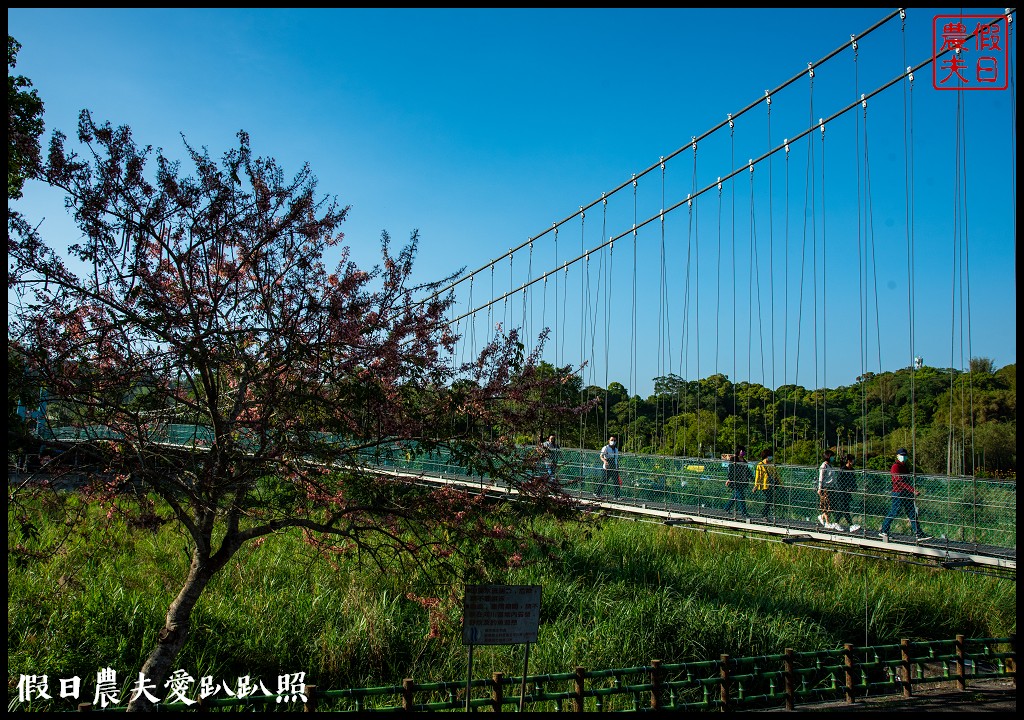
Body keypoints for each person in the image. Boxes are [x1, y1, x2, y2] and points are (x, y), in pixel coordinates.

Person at [879, 448, 930, 541]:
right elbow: (898, 480)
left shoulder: (905, 466)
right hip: (898, 493)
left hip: (906, 493)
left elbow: (906, 480)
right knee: (895, 511)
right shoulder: (895, 467)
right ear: (897, 456)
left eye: (905, 455)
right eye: (902, 455)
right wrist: (912, 490)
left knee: (912, 512)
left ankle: (919, 533)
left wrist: (911, 490)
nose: (903, 457)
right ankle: (884, 530)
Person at [832, 454, 861, 532]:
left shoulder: (851, 470)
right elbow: (839, 481)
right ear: (849, 461)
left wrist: (854, 487)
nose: (854, 461)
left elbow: (853, 481)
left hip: (847, 492)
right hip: (841, 492)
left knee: (843, 508)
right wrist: (845, 488)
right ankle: (850, 525)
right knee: (844, 508)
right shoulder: (843, 469)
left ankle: (836, 523)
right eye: (853, 460)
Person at [723, 446, 753, 517]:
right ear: (739, 451)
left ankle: (726, 508)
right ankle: (744, 512)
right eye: (742, 451)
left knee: (736, 495)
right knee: (741, 496)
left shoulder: (744, 461)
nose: (744, 452)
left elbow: (747, 471)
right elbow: (731, 470)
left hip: (743, 481)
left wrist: (752, 478)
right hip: (735, 481)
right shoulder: (733, 459)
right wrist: (730, 479)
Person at [753, 449, 783, 520]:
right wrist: (756, 486)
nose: (770, 457)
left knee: (770, 499)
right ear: (766, 456)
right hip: (764, 485)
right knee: (769, 498)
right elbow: (758, 476)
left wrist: (781, 484)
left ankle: (764, 513)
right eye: (769, 456)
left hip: (771, 485)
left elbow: (776, 475)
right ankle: (764, 514)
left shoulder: (771, 464)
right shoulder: (760, 465)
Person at [817, 449, 839, 530]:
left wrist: (836, 486)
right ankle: (827, 522)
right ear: (828, 457)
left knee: (831, 506)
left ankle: (821, 516)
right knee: (826, 504)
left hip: (831, 488)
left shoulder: (830, 466)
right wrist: (820, 488)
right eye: (832, 456)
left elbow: (833, 478)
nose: (833, 458)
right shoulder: (824, 466)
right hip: (825, 488)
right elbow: (821, 478)